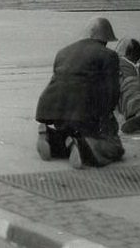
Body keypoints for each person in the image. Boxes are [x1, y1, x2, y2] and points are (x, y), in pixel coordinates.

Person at [35, 17, 124, 168]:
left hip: (51, 111)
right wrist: (107, 118)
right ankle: (83, 147)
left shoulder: (63, 51)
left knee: (72, 130)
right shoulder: (109, 55)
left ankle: (51, 137)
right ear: (105, 39)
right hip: (82, 112)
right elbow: (111, 92)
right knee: (115, 147)